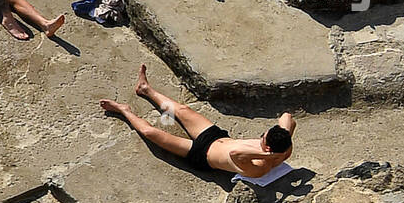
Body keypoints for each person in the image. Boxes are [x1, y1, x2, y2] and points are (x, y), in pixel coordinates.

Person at [101, 64, 295, 178]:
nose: (261, 136)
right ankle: (145, 89)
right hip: (217, 137)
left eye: (263, 138)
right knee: (183, 110)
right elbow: (287, 117)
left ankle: (124, 110)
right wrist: (284, 134)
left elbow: (237, 152)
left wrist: (270, 157)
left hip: (201, 155)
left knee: (152, 133)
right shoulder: (283, 146)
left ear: (268, 149)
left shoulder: (260, 166)